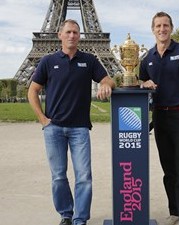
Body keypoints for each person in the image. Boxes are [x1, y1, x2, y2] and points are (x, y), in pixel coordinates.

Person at [28, 19, 115, 225]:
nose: (72, 36)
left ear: (80, 36)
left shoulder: (90, 60)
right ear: (60, 35)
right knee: (58, 176)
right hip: (54, 128)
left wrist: (105, 84)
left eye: (76, 32)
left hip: (79, 129)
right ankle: (66, 215)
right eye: (68, 32)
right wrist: (43, 119)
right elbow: (32, 90)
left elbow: (109, 79)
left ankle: (80, 219)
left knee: (84, 176)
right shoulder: (48, 61)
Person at [139, 12, 179, 225]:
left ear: (171, 28)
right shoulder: (147, 58)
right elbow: (140, 83)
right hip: (160, 117)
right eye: (158, 26)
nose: (162, 29)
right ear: (153, 29)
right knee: (169, 170)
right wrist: (144, 84)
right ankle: (175, 212)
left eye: (165, 25)